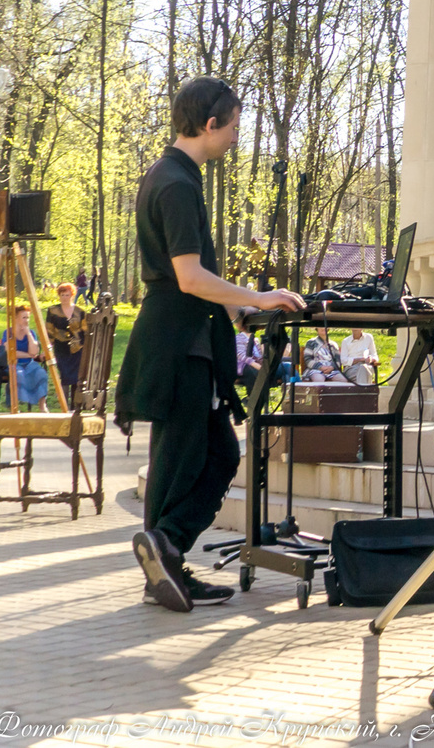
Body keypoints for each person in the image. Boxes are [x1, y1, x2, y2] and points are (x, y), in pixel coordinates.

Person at [116, 78, 306, 612]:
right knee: (188, 456)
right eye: (234, 126)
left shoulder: (175, 176)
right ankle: (166, 546)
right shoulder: (176, 183)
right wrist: (261, 297)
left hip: (187, 337)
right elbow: (189, 276)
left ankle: (165, 562)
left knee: (209, 453)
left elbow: (204, 277)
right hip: (178, 343)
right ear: (210, 124)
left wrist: (239, 312)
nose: (235, 138)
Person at [47, 281, 90, 404]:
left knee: (77, 378)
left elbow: (85, 330)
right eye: (62, 295)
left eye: (67, 295)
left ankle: (75, 406)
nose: (64, 298)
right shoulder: (53, 310)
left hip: (77, 349)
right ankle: (64, 405)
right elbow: (50, 330)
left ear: (72, 295)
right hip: (61, 349)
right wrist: (48, 347)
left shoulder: (80, 311)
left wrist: (86, 347)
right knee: (65, 376)